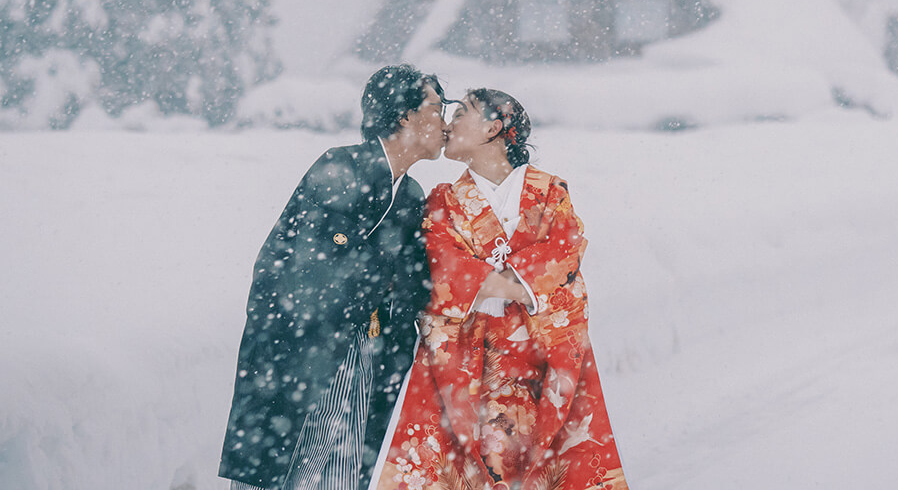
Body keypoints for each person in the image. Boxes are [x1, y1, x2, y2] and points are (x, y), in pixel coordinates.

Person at [371, 89, 627, 490]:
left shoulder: (549, 191)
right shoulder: (444, 201)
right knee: (475, 464)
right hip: (472, 361)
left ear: (494, 127)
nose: (448, 123)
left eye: (461, 113)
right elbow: (445, 273)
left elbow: (565, 254)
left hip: (539, 358)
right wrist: (521, 284)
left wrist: (493, 282)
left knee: (549, 465)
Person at [220, 65, 447, 490]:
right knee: (284, 470)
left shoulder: (411, 194)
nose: (445, 121)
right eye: (438, 107)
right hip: (301, 347)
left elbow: (417, 282)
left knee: (338, 471)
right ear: (405, 116)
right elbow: (296, 266)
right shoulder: (342, 168)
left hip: (360, 350)